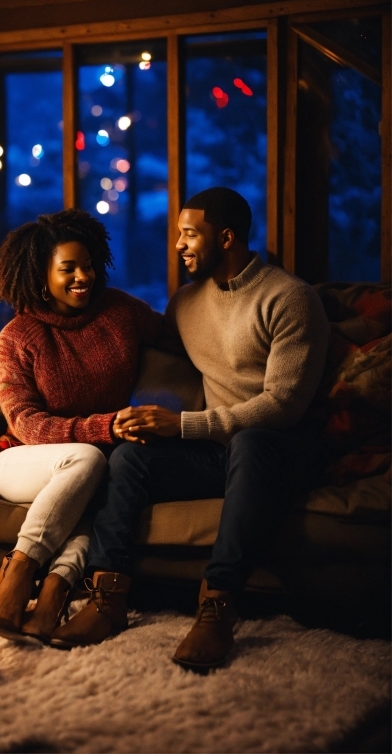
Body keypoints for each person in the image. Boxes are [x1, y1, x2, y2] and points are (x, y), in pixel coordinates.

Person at [51, 187, 331, 672]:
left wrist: (182, 424)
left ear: (226, 238)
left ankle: (217, 606)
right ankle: (107, 598)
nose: (178, 245)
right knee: (130, 455)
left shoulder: (290, 299)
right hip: (218, 452)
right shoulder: (184, 304)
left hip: (282, 450)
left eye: (188, 234)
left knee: (250, 442)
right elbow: (130, 334)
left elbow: (283, 406)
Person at [0, 209, 179, 645]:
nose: (83, 276)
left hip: (98, 466)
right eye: (68, 269)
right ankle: (19, 572)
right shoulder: (17, 337)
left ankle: (52, 597)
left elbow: (180, 337)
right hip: (21, 460)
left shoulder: (121, 312)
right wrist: (107, 427)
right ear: (40, 273)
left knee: (105, 484)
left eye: (88, 265)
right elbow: (26, 425)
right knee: (88, 459)